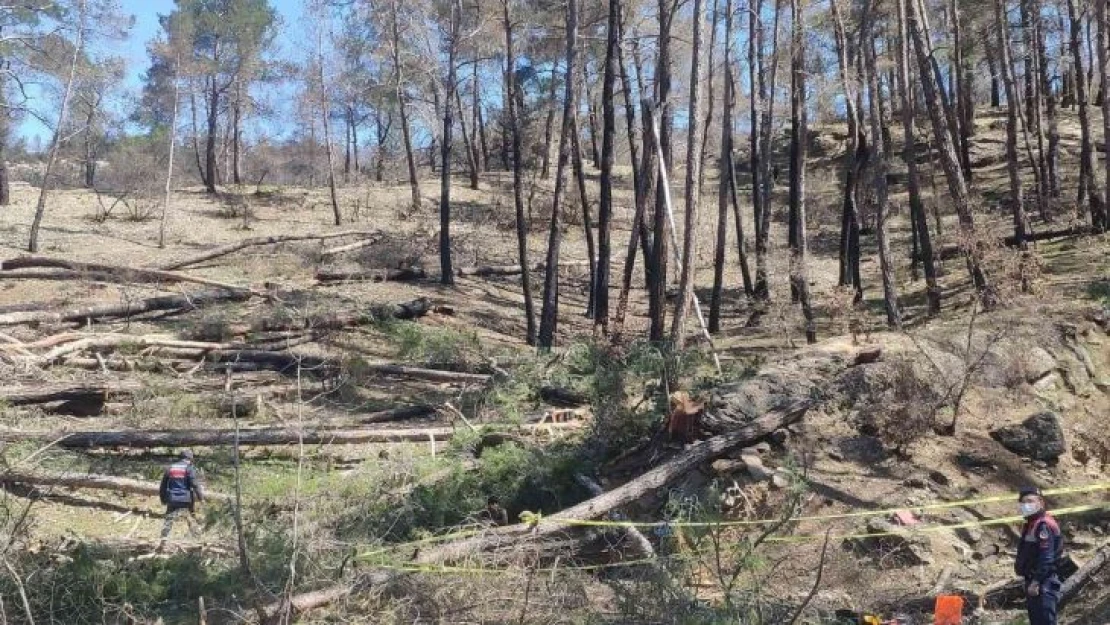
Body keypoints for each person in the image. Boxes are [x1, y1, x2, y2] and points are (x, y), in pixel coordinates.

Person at [1014, 487, 1064, 625]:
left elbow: (1046, 558)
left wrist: (1036, 582)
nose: (1026, 505)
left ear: (1040, 502)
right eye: (1023, 503)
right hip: (1034, 581)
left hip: (1043, 583)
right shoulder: (1032, 524)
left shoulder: (1043, 525)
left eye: (1030, 501)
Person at [158, 449, 205, 549]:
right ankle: (197, 538)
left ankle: (163, 538)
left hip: (172, 498)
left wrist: (163, 499)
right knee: (190, 518)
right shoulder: (189, 468)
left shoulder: (170, 468)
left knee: (169, 519)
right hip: (186, 499)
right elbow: (195, 485)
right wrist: (201, 498)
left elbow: (162, 486)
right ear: (190, 459)